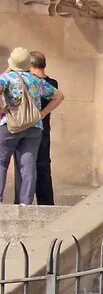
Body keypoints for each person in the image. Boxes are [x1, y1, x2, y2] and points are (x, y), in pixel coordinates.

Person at [0, 47, 60, 205]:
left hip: (11, 125)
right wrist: (43, 113)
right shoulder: (36, 80)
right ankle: (25, 202)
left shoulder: (7, 78)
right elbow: (58, 96)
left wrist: (1, 110)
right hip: (34, 127)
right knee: (28, 164)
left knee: (2, 162)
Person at [27, 52, 55, 206]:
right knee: (43, 165)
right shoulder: (52, 82)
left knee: (29, 165)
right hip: (43, 128)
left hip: (31, 128)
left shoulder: (31, 82)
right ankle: (46, 202)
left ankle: (25, 200)